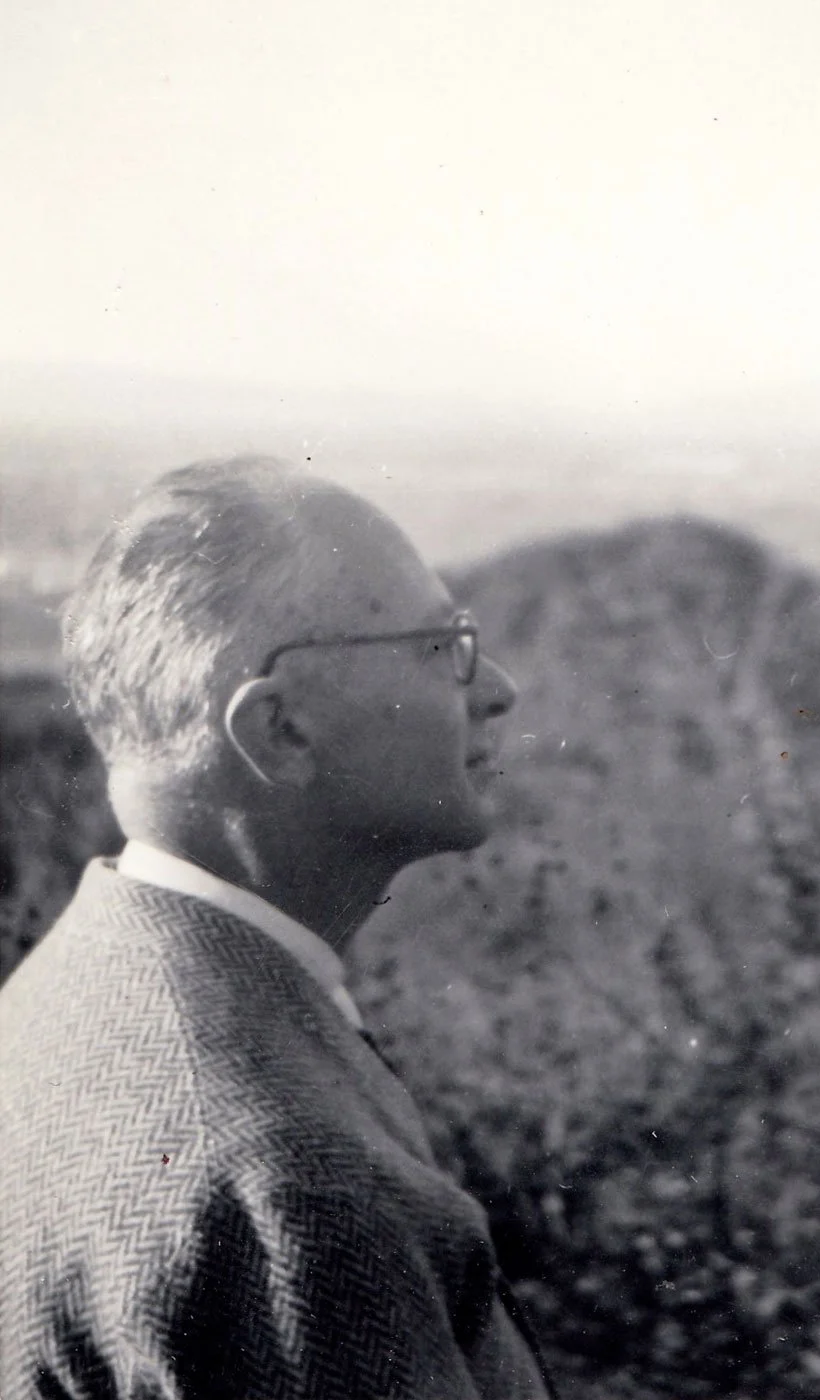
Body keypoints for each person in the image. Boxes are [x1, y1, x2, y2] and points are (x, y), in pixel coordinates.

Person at [0, 456, 555, 1398]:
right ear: (282, 734)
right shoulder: (296, 1189)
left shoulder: (76, 980)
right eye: (441, 647)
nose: (496, 686)